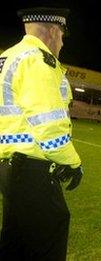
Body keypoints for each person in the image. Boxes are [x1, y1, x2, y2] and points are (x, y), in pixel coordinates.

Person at [0, 7, 83, 260]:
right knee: (48, 238)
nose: (61, 43)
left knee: (16, 242)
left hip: (10, 168)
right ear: (54, 32)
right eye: (62, 37)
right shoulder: (38, 59)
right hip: (32, 169)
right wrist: (73, 162)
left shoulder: (8, 57)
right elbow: (49, 124)